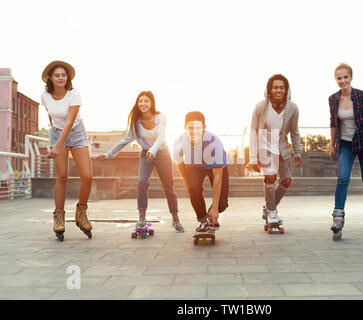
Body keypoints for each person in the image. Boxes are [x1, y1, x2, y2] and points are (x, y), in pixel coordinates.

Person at [96, 91, 184, 232]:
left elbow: (161, 138)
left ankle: (175, 219)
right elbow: (126, 140)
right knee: (142, 182)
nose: (143, 104)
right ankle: (142, 219)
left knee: (169, 187)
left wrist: (153, 151)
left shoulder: (161, 117)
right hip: (145, 154)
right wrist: (108, 154)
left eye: (146, 101)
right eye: (140, 101)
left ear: (152, 103)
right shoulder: (136, 122)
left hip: (162, 154)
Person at [328, 63, 363, 240]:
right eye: (339, 78)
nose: (342, 81)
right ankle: (338, 216)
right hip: (345, 144)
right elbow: (334, 123)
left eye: (345, 77)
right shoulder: (333, 99)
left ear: (351, 77)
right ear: (336, 79)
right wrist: (331, 144)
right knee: (343, 177)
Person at [41, 60, 93, 241]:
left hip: (76, 133)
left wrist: (56, 147)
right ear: (51, 78)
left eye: (63, 75)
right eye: (57, 75)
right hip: (57, 133)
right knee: (62, 175)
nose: (61, 78)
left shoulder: (74, 94)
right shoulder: (45, 96)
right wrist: (56, 143)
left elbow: (70, 122)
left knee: (87, 176)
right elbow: (52, 116)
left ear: (67, 77)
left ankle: (81, 212)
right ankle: (59, 216)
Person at [249, 74, 302, 226]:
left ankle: (269, 208)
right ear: (270, 90)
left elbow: (294, 131)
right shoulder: (261, 107)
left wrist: (298, 152)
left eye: (281, 87)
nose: (278, 90)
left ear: (286, 90)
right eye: (275, 87)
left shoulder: (292, 108)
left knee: (286, 180)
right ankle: (272, 212)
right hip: (265, 147)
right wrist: (253, 157)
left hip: (282, 148)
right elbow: (253, 130)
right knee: (270, 177)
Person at [173, 111, 229, 232]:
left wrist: (214, 207)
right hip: (194, 167)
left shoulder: (215, 143)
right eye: (190, 128)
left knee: (222, 203)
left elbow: (218, 178)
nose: (194, 131)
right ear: (185, 128)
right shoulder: (179, 141)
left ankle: (211, 214)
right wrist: (189, 185)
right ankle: (203, 220)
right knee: (193, 189)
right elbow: (180, 164)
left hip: (214, 166)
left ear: (204, 128)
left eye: (198, 128)